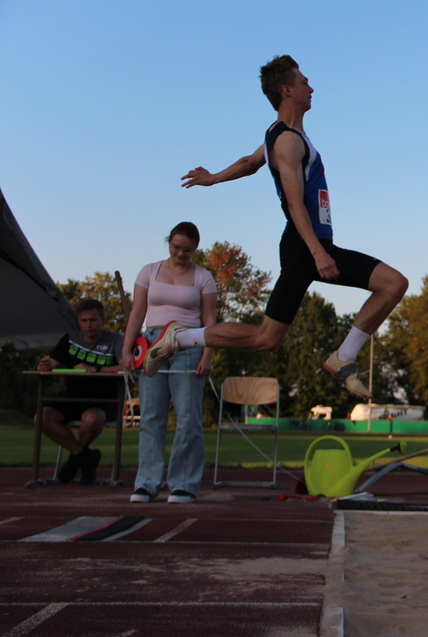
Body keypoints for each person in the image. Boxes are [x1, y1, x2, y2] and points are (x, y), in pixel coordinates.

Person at [153, 54, 406, 399]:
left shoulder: (279, 135)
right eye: (304, 82)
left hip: (307, 245)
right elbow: (293, 201)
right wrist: (318, 252)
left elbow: (249, 163)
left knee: (267, 340)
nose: (311, 87)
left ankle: (181, 338)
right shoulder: (287, 140)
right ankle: (342, 358)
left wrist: (212, 178)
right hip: (306, 246)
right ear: (287, 90)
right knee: (392, 284)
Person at [121, 222, 217, 504]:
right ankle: (147, 482)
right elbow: (137, 312)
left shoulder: (203, 277)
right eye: (176, 248)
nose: (181, 254)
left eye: (187, 250)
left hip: (188, 343)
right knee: (151, 415)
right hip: (151, 344)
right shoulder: (149, 271)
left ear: (195, 249)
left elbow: (210, 321)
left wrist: (207, 355)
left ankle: (183, 484)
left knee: (188, 417)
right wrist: (128, 351)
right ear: (169, 243)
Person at [36, 298, 124, 484]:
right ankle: (84, 457)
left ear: (103, 319)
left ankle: (75, 461)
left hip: (103, 399)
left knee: (91, 419)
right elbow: (51, 365)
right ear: (78, 321)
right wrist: (44, 365)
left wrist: (97, 370)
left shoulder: (116, 340)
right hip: (72, 398)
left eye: (93, 320)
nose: (88, 325)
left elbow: (126, 366)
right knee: (41, 418)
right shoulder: (70, 339)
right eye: (84, 320)